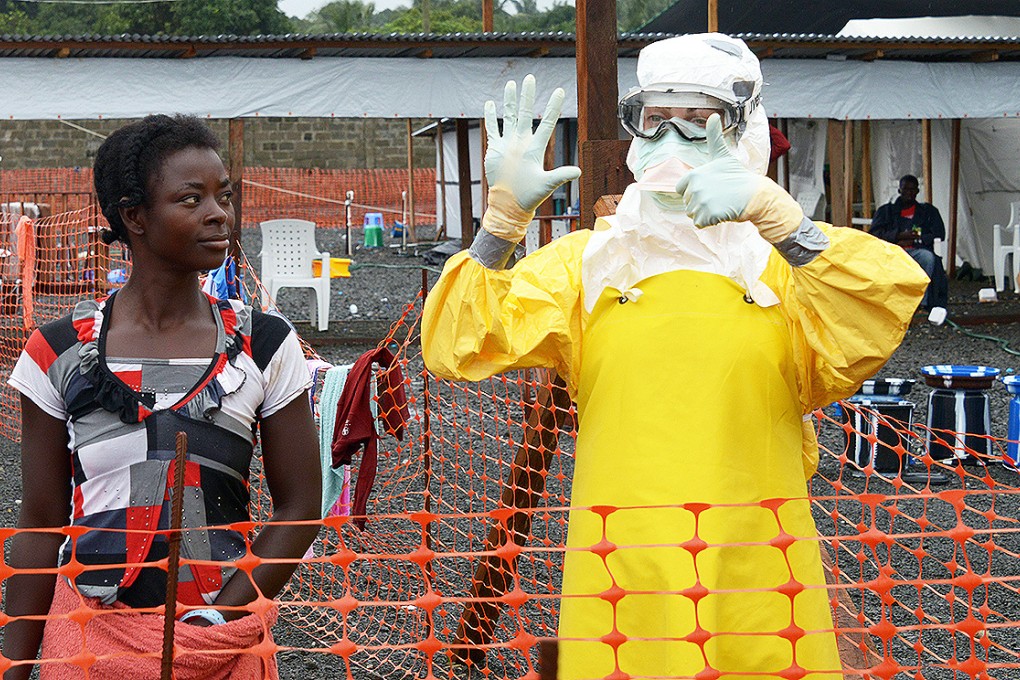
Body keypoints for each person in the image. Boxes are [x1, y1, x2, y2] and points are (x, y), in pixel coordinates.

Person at [421, 34, 928, 679]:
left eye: (698, 123)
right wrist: (499, 227)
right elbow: (453, 344)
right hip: (623, 573)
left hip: (760, 572)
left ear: (745, 131)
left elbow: (880, 306)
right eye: (656, 122)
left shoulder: (785, 271)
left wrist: (786, 225)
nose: (671, 142)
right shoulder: (590, 266)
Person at [1, 114, 321, 679]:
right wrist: (14, 666)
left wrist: (221, 620)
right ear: (133, 217)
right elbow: (41, 520)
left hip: (222, 653)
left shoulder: (266, 345)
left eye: (224, 194)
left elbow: (299, 508)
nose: (219, 213)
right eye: (190, 199)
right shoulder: (56, 353)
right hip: (88, 647)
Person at [870, 174, 949, 323]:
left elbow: (939, 233)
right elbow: (874, 234)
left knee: (928, 258)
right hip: (893, 251)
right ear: (899, 190)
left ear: (918, 191)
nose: (909, 193)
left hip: (917, 250)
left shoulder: (928, 212)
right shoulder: (886, 211)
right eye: (906, 189)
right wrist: (899, 236)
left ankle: (922, 304)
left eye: (913, 190)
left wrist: (917, 238)